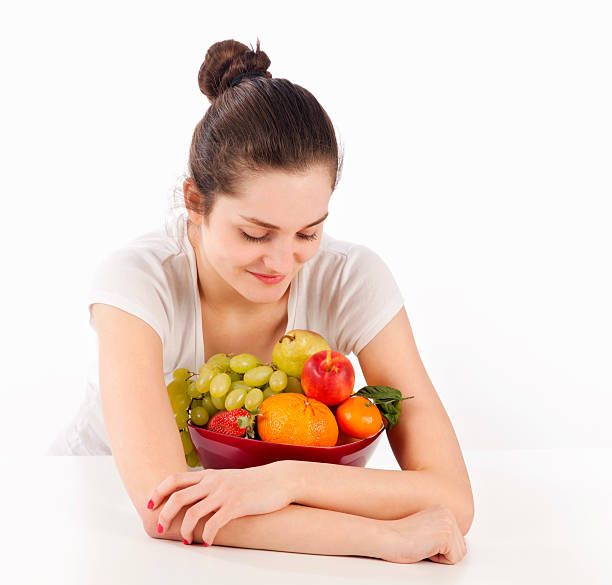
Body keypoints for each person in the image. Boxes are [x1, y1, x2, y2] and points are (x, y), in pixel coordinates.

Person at [46, 38, 472, 564]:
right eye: (255, 234)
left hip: (258, 547)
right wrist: (382, 538)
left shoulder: (350, 278)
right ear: (195, 202)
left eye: (308, 233)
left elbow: (451, 495)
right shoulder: (136, 281)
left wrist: (286, 480)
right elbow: (166, 507)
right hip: (91, 529)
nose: (282, 262)